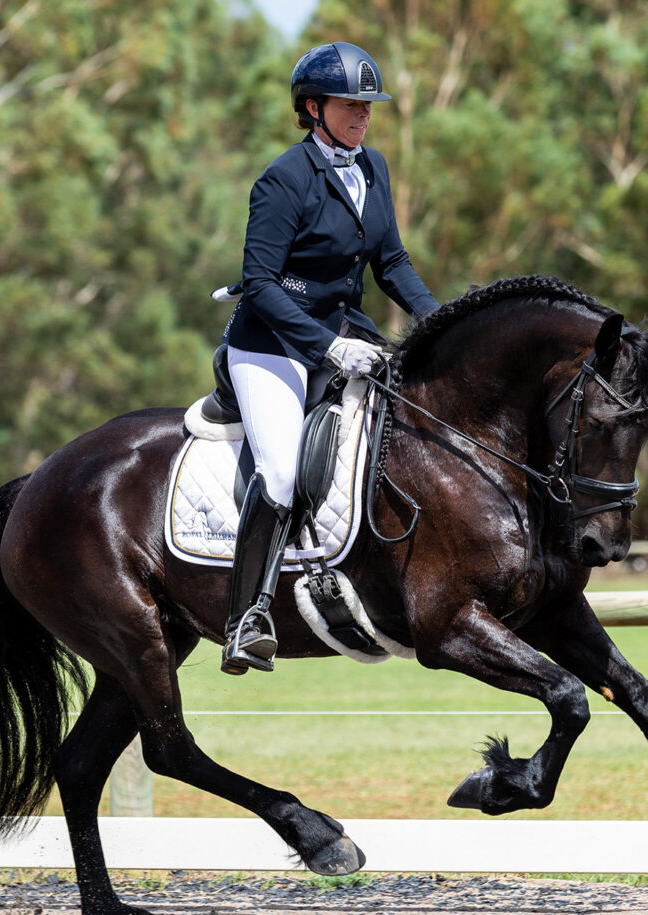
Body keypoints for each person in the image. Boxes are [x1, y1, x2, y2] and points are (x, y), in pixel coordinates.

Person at [218, 41, 438, 676]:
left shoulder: (373, 168)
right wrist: (327, 346)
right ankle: (247, 618)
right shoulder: (284, 178)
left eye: (369, 105)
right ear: (312, 108)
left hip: (347, 333)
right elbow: (258, 282)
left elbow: (390, 260)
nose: (364, 115)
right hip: (271, 347)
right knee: (283, 473)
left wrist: (442, 319)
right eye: (351, 105)